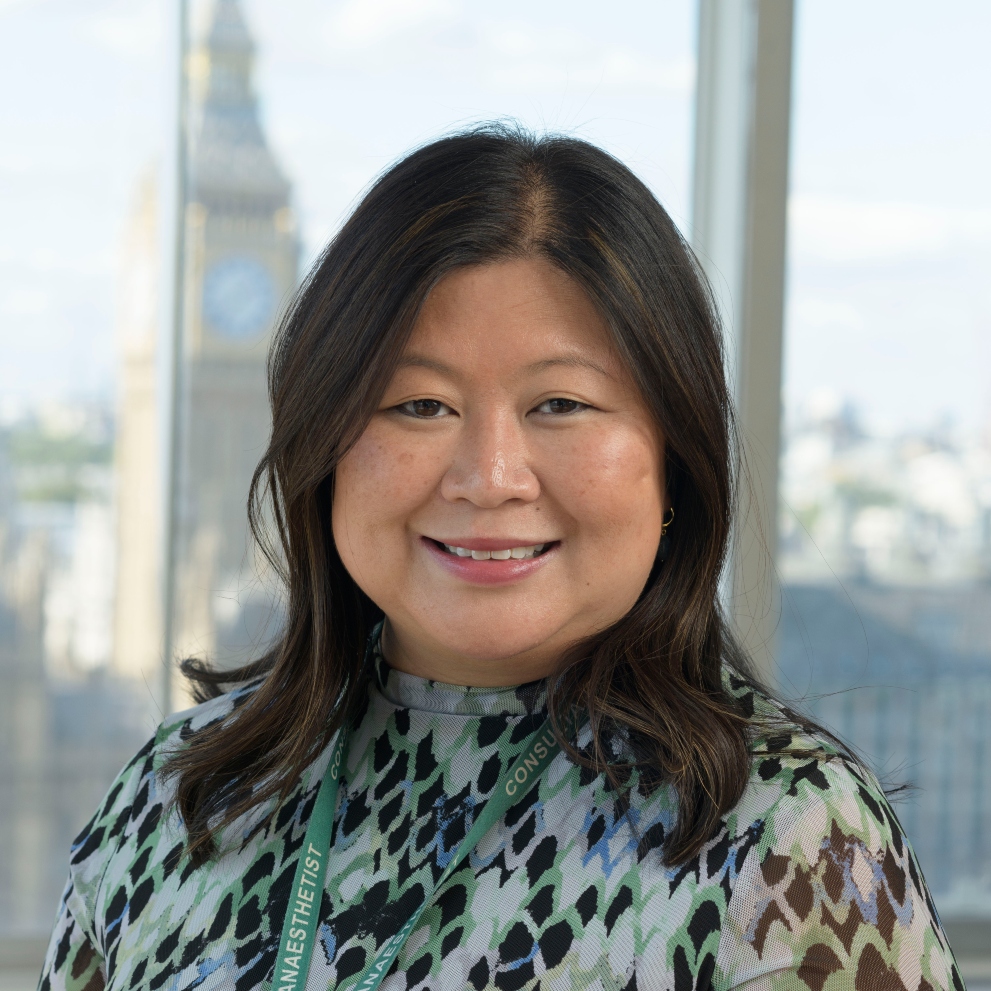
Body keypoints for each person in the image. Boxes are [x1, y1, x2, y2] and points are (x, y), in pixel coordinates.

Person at [39, 126, 962, 991]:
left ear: (673, 455)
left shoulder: (790, 839)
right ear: (322, 451)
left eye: (559, 404)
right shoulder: (184, 792)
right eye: (418, 405)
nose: (489, 478)